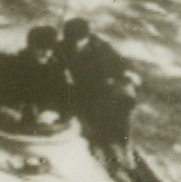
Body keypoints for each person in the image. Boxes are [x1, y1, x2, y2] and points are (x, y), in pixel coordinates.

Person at [58, 18, 139, 151]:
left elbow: (122, 66)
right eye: (71, 41)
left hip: (99, 92)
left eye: (79, 41)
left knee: (121, 103)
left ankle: (121, 145)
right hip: (74, 93)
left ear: (87, 38)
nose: (75, 45)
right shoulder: (62, 47)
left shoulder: (102, 49)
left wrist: (124, 77)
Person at [0, 25, 71, 132]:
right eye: (41, 48)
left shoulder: (55, 69)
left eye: (50, 49)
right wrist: (2, 108)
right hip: (3, 126)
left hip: (42, 128)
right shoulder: (10, 65)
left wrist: (53, 112)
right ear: (30, 47)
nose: (47, 53)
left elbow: (63, 98)